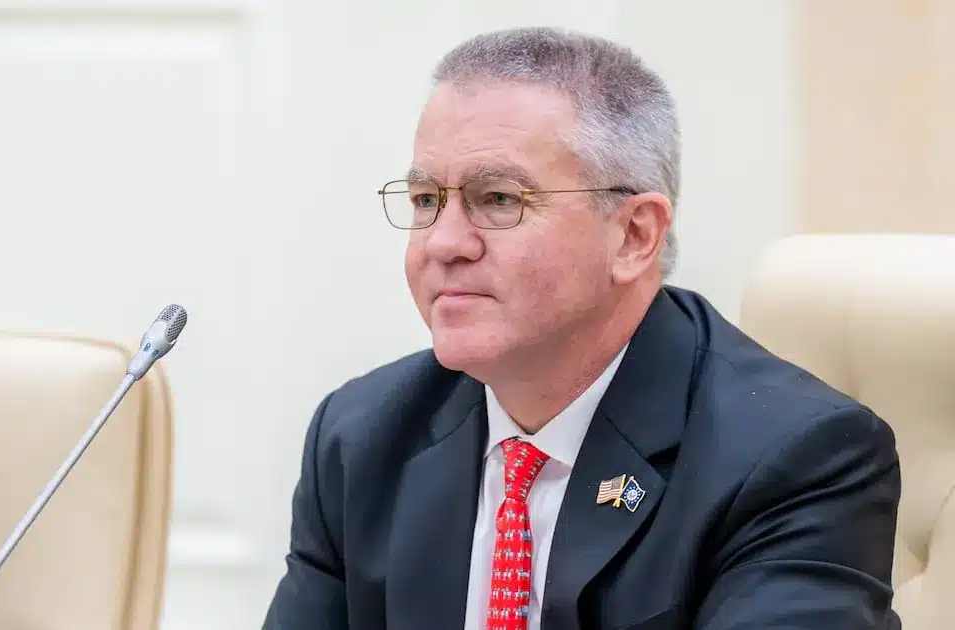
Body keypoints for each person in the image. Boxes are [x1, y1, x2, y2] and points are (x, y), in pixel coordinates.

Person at [262, 26, 901, 630]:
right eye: (427, 200)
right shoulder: (363, 437)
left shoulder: (794, 458)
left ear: (634, 235)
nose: (443, 242)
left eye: (499, 199)